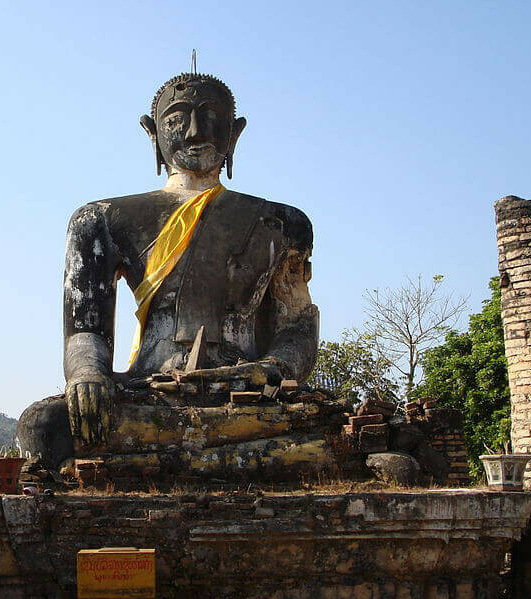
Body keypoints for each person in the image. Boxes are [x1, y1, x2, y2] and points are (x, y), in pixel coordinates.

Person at [18, 73, 319, 467]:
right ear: (152, 132)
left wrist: (274, 369)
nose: (196, 132)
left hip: (246, 392)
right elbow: (86, 329)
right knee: (43, 425)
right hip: (154, 388)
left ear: (236, 133)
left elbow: (296, 325)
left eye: (212, 117)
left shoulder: (282, 222)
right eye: (178, 118)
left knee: (317, 421)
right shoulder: (101, 218)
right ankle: (231, 458)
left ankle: (154, 463)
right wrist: (88, 376)